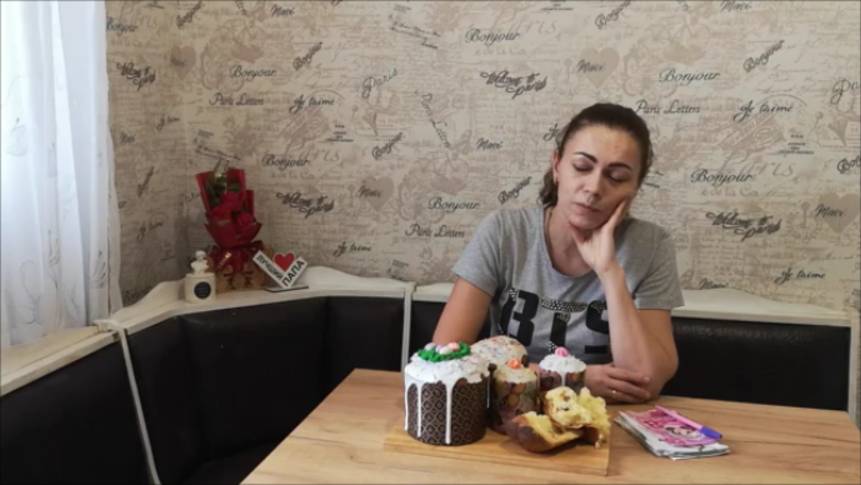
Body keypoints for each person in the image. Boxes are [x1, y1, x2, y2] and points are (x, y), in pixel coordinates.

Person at [432, 103, 683, 404]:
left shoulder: (651, 246)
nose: (594, 187)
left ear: (635, 189)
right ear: (557, 166)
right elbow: (445, 357)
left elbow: (643, 381)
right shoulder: (504, 232)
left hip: (600, 417)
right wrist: (571, 379)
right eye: (582, 167)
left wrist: (610, 272)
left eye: (616, 177)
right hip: (508, 409)